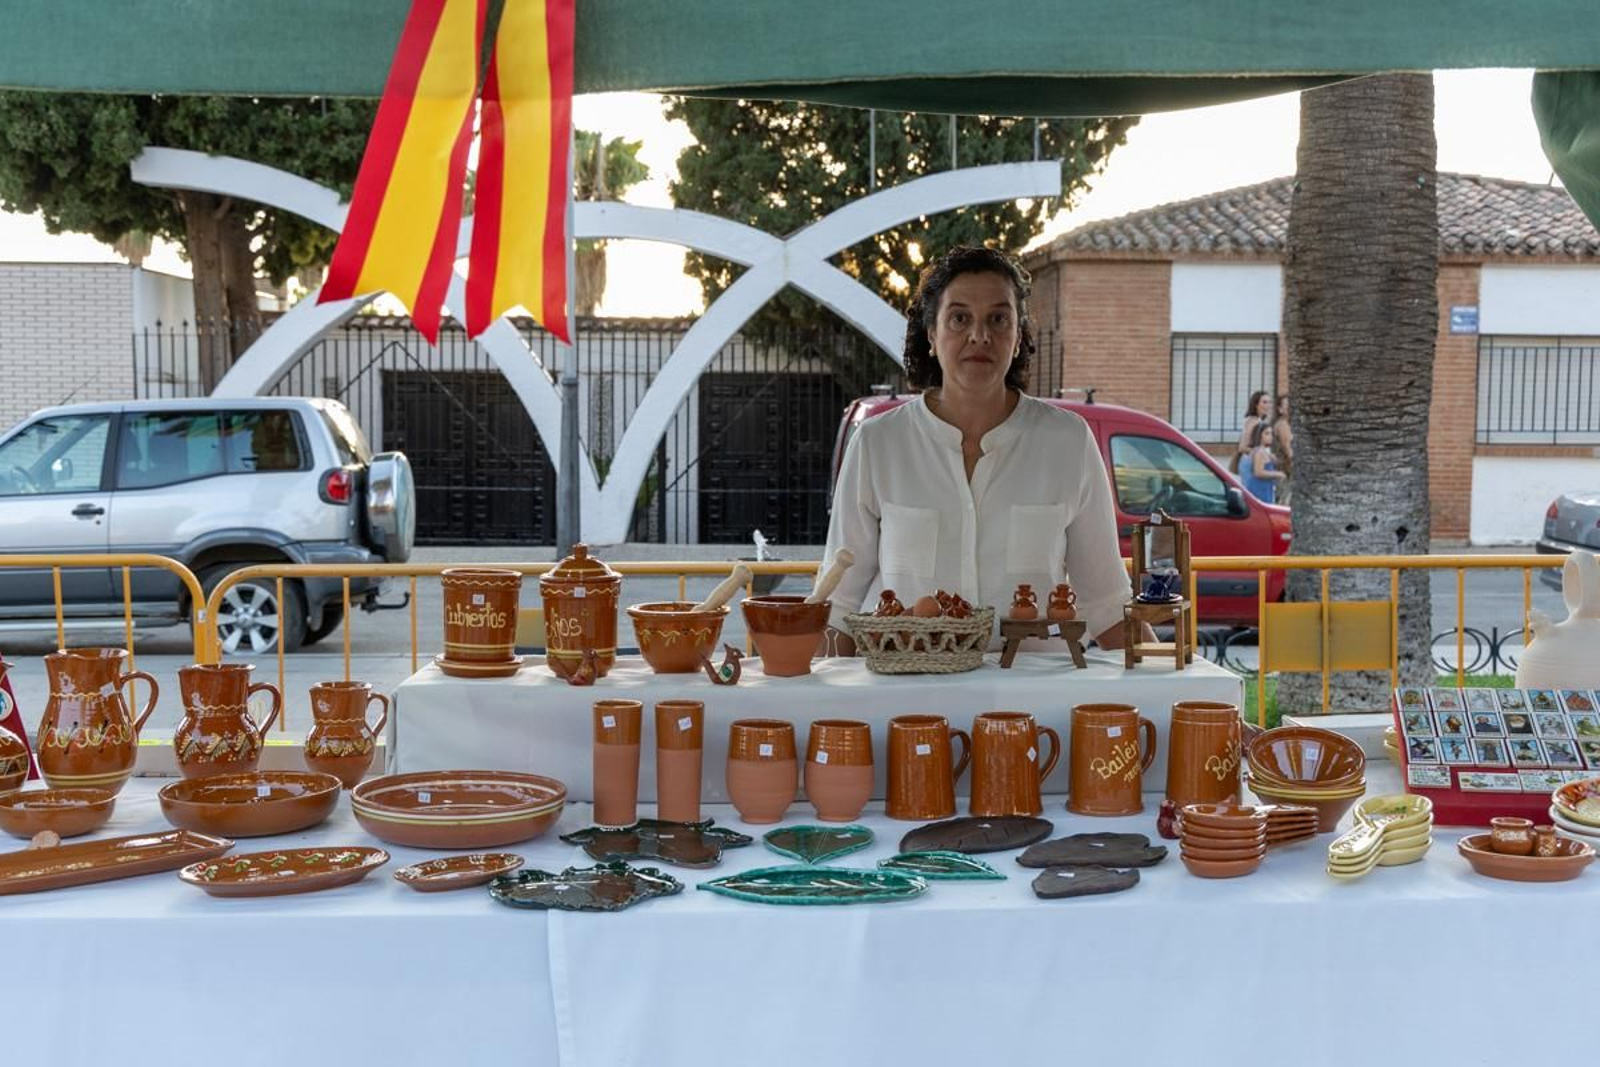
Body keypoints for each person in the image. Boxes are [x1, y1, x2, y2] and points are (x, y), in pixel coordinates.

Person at [821, 245, 1136, 653]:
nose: (979, 335)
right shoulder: (879, 445)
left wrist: (1183, 689)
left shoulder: (1068, 443)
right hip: (906, 705)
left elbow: (1108, 605)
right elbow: (838, 606)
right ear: (932, 335)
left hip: (1033, 708)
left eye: (998, 319)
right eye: (959, 318)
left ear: (1018, 336)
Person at [1236, 423, 1285, 504]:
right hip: (1260, 493)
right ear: (1259, 436)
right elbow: (1258, 472)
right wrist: (1278, 474)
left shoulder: (1261, 451)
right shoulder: (1259, 452)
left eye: (1271, 433)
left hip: (1264, 491)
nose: (1270, 437)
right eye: (1267, 433)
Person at [1235, 390, 1271, 468]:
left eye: (1269, 402)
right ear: (1256, 405)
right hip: (1253, 465)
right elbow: (1242, 447)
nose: (1268, 405)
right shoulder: (1253, 422)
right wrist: (1263, 453)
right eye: (1264, 402)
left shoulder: (1260, 421)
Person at [1271, 393, 1293, 506]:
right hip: (1284, 471)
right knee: (1284, 502)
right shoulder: (1283, 425)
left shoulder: (1285, 423)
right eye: (1287, 405)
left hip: (1282, 469)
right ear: (1280, 409)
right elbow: (1287, 448)